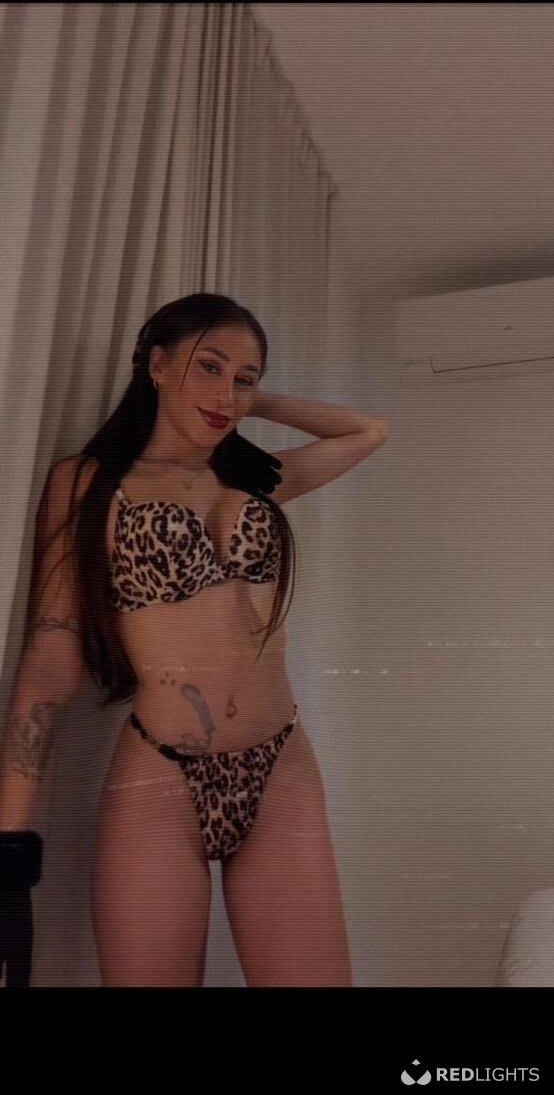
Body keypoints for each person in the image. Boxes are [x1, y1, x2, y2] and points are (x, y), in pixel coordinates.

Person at [0, 292, 388, 987]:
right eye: (209, 367)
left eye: (244, 378)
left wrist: (254, 404)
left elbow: (366, 432)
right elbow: (52, 658)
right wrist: (8, 852)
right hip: (161, 776)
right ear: (155, 363)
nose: (227, 393)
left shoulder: (253, 480)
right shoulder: (88, 483)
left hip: (281, 766)